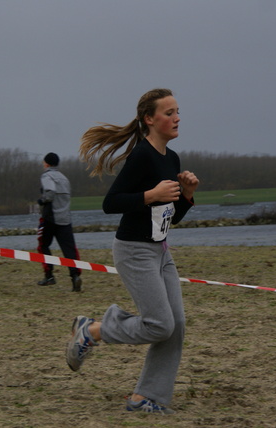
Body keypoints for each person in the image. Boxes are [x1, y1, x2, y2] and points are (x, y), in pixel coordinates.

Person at [66, 88, 200, 415]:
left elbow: (169, 218)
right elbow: (111, 204)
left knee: (175, 325)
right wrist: (150, 194)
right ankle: (92, 330)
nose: (177, 117)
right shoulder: (141, 156)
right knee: (159, 324)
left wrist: (187, 195)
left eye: (177, 111)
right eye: (168, 113)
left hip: (160, 250)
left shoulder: (172, 158)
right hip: (133, 251)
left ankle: (145, 398)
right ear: (149, 120)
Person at [36, 152, 83, 291]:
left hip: (50, 218)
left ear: (46, 164)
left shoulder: (46, 175)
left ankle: (49, 276)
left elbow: (50, 191)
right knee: (69, 250)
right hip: (65, 219)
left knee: (42, 245)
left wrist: (43, 200)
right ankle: (75, 276)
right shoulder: (64, 178)